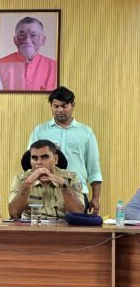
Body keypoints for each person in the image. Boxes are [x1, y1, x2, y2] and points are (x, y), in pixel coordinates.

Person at [28, 86, 102, 214]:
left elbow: (94, 169)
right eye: (56, 106)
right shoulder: (40, 131)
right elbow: (31, 163)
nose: (60, 110)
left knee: (77, 227)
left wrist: (95, 197)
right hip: (46, 193)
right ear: (51, 106)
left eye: (64, 106)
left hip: (77, 193)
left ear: (73, 105)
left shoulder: (86, 133)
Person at [9, 139, 85, 219]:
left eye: (45, 157)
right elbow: (14, 214)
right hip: (31, 224)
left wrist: (64, 185)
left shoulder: (71, 178)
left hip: (62, 224)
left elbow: (78, 213)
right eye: (34, 158)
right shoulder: (21, 179)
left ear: (55, 159)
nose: (39, 162)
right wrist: (27, 183)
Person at [0, 16, 56, 91]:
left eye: (33, 35)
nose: (27, 40)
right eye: (22, 35)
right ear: (15, 40)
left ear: (43, 40)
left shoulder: (55, 67)